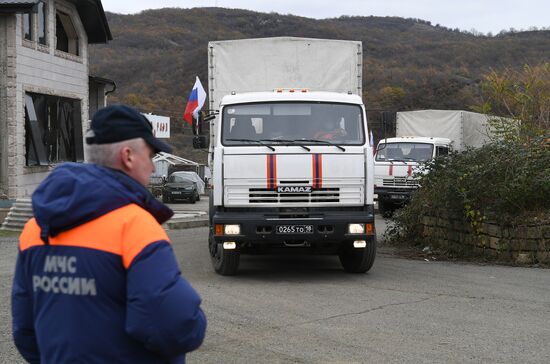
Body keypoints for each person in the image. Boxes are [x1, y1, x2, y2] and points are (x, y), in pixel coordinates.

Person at [11, 105, 206, 364]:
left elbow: (25, 330)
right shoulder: (135, 225)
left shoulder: (35, 228)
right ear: (128, 156)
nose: (151, 168)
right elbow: (174, 325)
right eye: (150, 155)